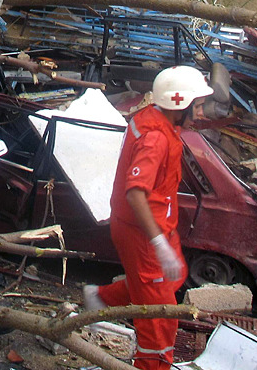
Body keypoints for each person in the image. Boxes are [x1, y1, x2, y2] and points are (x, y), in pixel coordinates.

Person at [84, 66, 212, 369]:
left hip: (154, 227)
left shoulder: (156, 120)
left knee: (172, 277)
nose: (203, 112)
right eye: (200, 104)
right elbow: (136, 193)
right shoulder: (155, 138)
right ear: (180, 103)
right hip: (143, 234)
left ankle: (101, 297)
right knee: (159, 323)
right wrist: (158, 243)